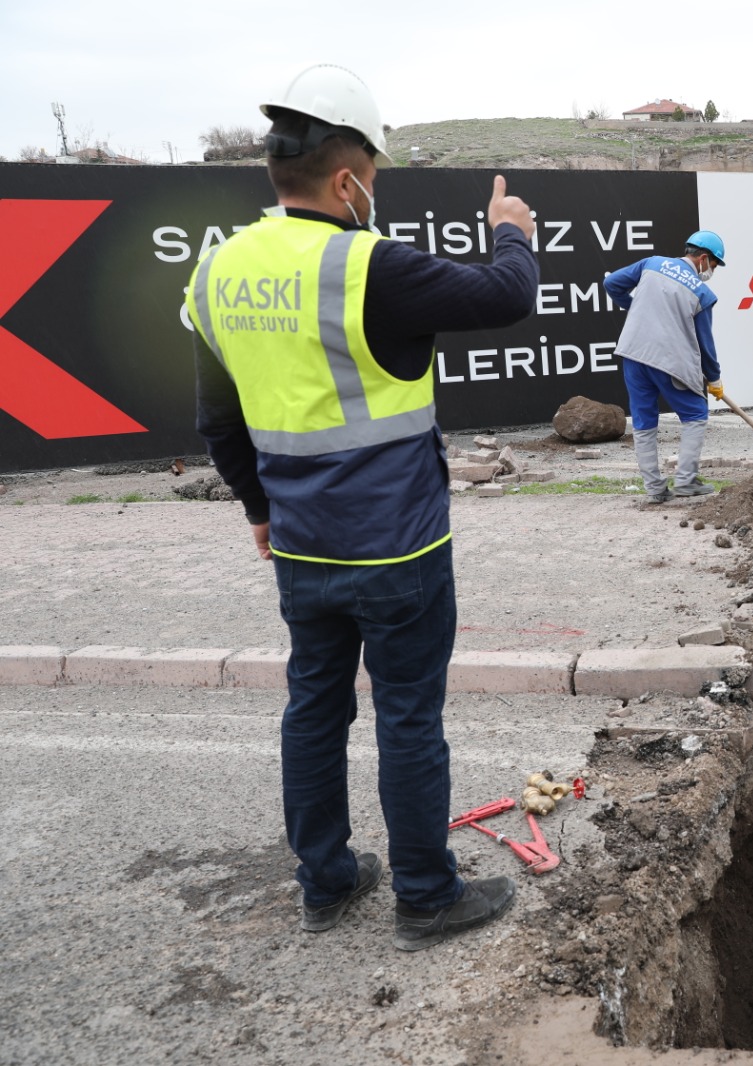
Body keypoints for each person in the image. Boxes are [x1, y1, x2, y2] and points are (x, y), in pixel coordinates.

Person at [188, 63, 538, 952]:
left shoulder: (218, 270)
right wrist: (510, 231)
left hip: (302, 548)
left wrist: (258, 509)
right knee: (408, 715)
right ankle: (425, 895)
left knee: (314, 708)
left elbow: (218, 420)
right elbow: (508, 294)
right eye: (373, 176)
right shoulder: (367, 265)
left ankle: (326, 882)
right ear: (347, 182)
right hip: (398, 549)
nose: (373, 191)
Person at [602, 232, 726, 503]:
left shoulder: (652, 263)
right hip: (669, 360)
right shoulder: (703, 293)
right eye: (714, 265)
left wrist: (634, 307)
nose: (712, 271)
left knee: (644, 420)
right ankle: (686, 480)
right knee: (696, 414)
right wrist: (714, 378)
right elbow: (705, 344)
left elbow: (611, 283)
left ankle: (654, 488)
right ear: (704, 259)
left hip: (633, 354)